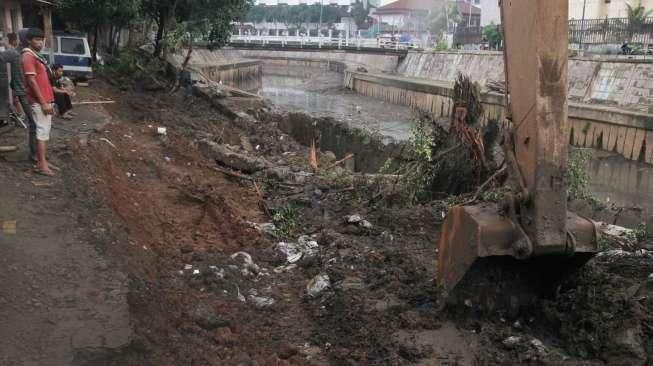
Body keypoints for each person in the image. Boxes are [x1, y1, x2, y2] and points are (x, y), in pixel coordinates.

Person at [22, 28, 56, 176]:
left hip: (46, 100)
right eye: (37, 39)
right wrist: (43, 103)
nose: (40, 42)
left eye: (41, 39)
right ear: (29, 40)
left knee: (43, 132)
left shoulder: (37, 56)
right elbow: (31, 81)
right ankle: (41, 164)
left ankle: (43, 161)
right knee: (42, 133)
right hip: (39, 102)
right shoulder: (28, 57)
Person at [0, 32, 37, 160]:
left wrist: (13, 83)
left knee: (35, 123)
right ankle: (34, 156)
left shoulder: (28, 54)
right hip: (23, 92)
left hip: (28, 92)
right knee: (34, 124)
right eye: (35, 39)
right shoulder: (15, 53)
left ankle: (36, 155)